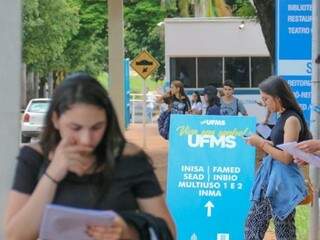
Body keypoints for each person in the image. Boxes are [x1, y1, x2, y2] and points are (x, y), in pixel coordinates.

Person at [5, 73, 175, 240]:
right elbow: (14, 236)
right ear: (56, 119)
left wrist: (128, 232)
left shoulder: (129, 159)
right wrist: (52, 175)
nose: (86, 140)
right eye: (75, 128)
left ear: (108, 122)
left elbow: (169, 231)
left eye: (96, 127)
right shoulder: (33, 158)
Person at [244, 76, 312, 240]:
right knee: (271, 226)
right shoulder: (282, 117)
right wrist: (262, 142)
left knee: (261, 226)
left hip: (279, 182)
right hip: (273, 180)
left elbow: (286, 157)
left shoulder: (291, 119)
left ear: (278, 97)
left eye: (266, 99)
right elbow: (280, 146)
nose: (264, 103)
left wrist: (261, 143)